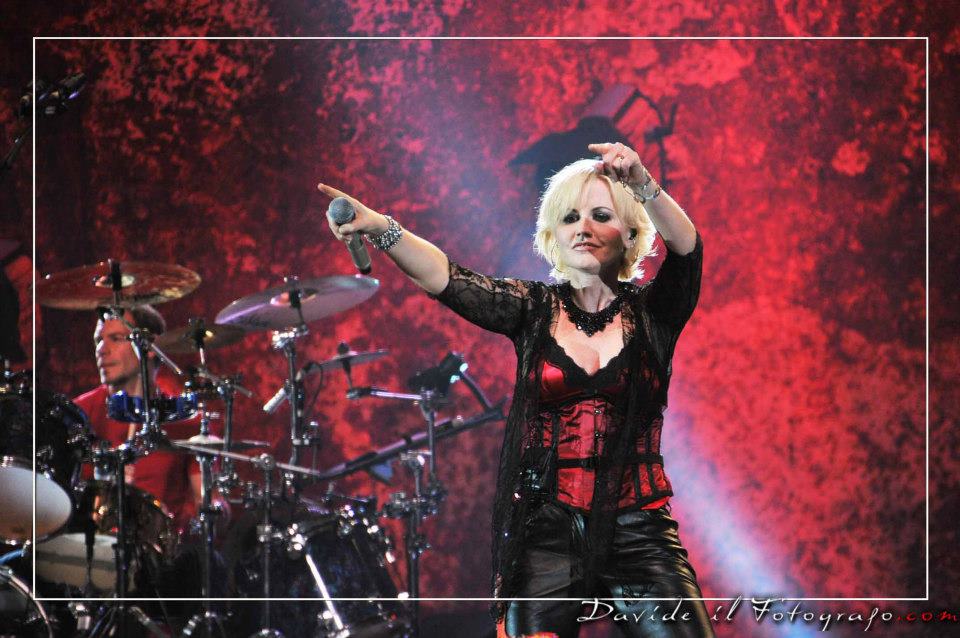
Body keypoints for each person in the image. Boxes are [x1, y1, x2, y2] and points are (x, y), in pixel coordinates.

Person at [321, 141, 714, 638]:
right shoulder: (533, 309)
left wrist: (642, 183)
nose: (583, 228)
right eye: (569, 218)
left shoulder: (656, 313)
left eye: (600, 216)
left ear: (631, 235)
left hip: (640, 530)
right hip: (545, 532)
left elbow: (687, 249)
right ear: (554, 236)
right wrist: (380, 227)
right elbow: (447, 277)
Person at [73, 305, 203, 530]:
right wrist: (101, 485)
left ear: (149, 347)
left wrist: (211, 509)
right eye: (98, 340)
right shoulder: (78, 414)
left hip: (157, 543)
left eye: (115, 338)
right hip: (89, 540)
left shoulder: (185, 422)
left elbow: (211, 504)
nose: (102, 350)